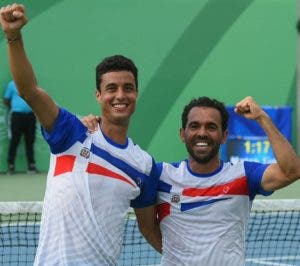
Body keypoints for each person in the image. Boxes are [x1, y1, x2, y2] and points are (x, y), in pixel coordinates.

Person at [0, 3, 161, 265]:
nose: (120, 95)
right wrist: (13, 37)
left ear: (136, 94)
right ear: (98, 96)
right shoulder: (70, 132)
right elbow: (29, 90)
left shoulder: (143, 166)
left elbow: (149, 228)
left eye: (128, 88)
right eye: (111, 88)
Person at [155, 96, 300, 266]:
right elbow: (146, 225)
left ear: (224, 136)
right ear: (182, 134)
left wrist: (262, 117)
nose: (202, 133)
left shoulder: (244, 175)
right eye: (194, 126)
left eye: (211, 127)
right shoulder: (162, 175)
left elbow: (293, 171)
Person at [3, 80, 38, 174]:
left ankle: (31, 166)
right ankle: (11, 165)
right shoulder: (11, 84)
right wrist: (16, 107)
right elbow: (6, 99)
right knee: (14, 140)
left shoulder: (31, 83)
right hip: (17, 116)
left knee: (30, 140)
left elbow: (37, 97)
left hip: (30, 116)